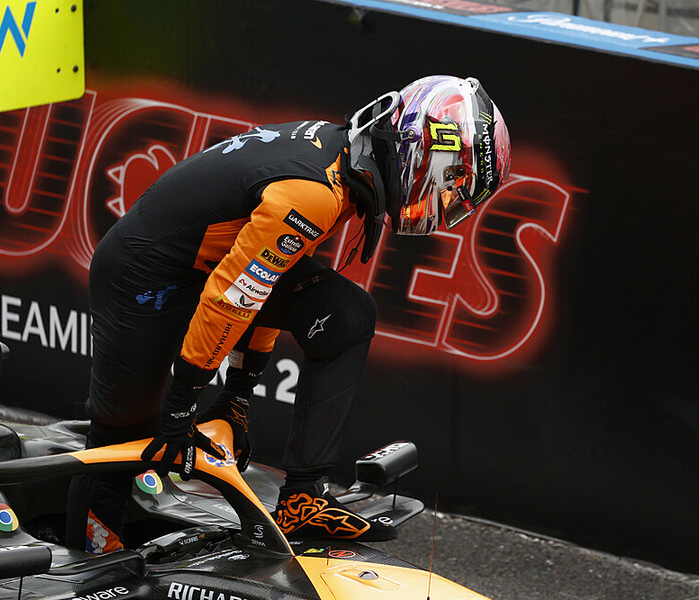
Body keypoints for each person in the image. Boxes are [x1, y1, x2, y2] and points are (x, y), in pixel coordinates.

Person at [66, 75, 512, 552]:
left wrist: (236, 393)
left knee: (347, 317)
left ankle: (303, 497)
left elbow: (264, 278)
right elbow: (234, 296)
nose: (443, 203)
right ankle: (85, 557)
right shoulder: (314, 192)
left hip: (209, 265)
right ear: (422, 152)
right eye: (450, 186)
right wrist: (182, 403)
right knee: (124, 439)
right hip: (143, 274)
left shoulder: (346, 163)